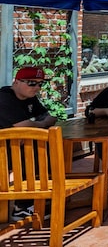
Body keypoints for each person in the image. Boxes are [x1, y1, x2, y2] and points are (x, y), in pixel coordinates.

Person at [0, 67, 57, 220]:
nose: (36, 87)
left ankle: (43, 196)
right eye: (31, 83)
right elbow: (23, 126)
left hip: (13, 147)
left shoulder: (29, 97)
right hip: (4, 151)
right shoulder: (4, 99)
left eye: (40, 84)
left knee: (44, 147)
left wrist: (35, 125)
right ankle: (22, 206)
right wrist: (39, 124)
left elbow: (49, 117)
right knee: (33, 150)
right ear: (16, 82)